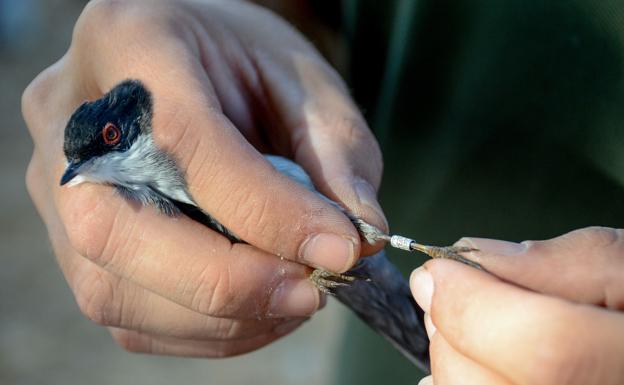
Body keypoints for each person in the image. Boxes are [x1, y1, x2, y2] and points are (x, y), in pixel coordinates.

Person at [21, 1, 624, 384]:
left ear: (130, 124)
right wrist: (251, 18)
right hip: (389, 328)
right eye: (83, 164)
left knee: (380, 258)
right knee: (380, 281)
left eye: (106, 141)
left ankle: (435, 260)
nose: (90, 167)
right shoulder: (149, 193)